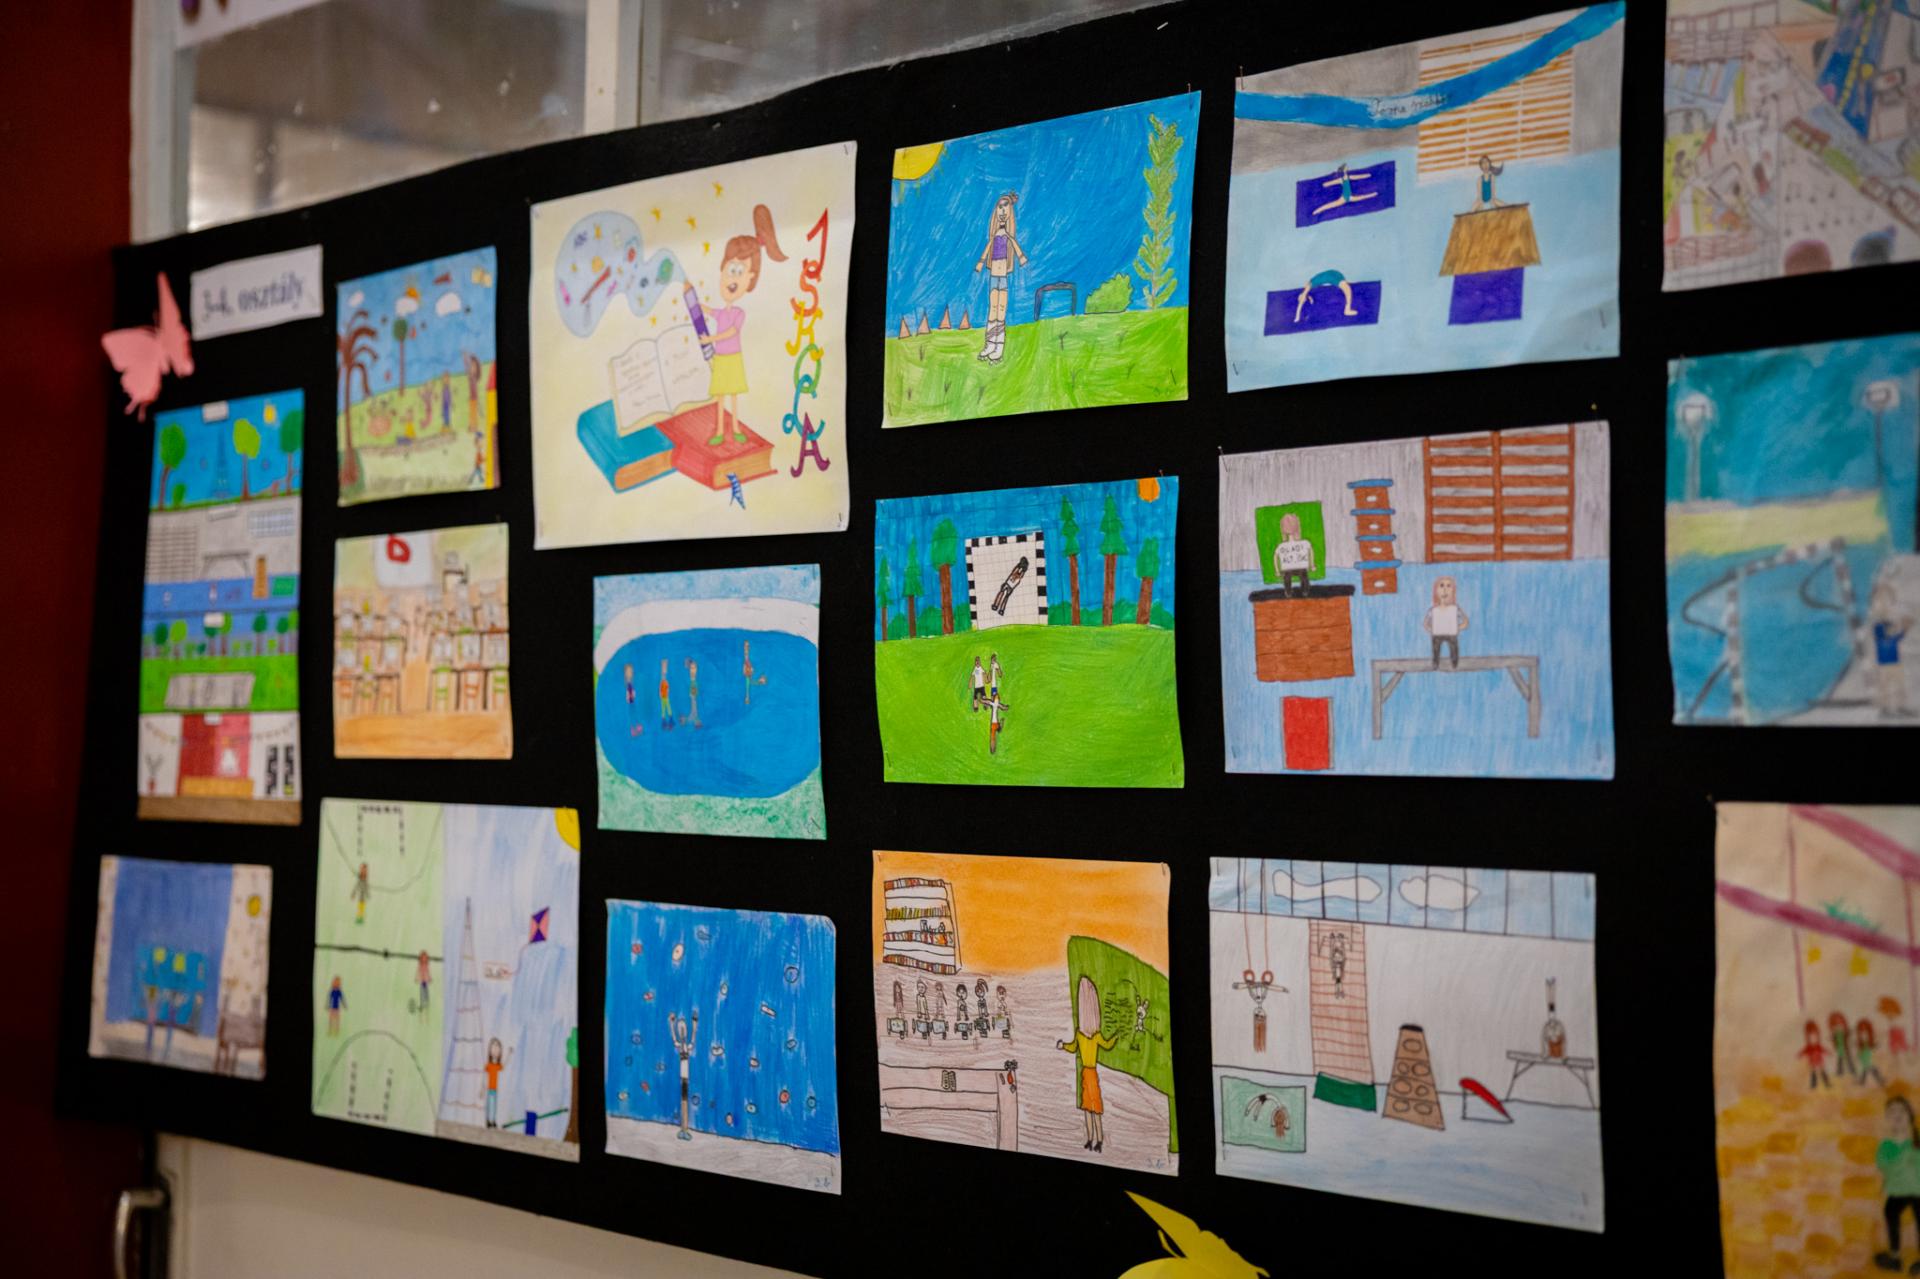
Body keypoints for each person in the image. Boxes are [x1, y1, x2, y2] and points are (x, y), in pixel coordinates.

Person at [699, 204, 787, 446]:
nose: (732, 278)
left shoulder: (739, 313)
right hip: (721, 359)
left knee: (733, 396)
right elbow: (712, 312)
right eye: (730, 270)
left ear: (751, 278)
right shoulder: (723, 311)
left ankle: (736, 427)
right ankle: (719, 430)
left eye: (739, 271)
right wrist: (697, 306)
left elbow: (730, 332)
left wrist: (710, 340)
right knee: (720, 395)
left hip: (732, 358)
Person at [1058, 975, 1117, 1153]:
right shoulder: (1091, 1035)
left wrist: (1063, 1046)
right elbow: (1107, 1045)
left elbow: (1072, 1047)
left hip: (1088, 1073)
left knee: (1092, 1109)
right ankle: (1094, 1140)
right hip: (1088, 1073)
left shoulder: (1083, 1034)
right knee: (1092, 1109)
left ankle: (1096, 1140)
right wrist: (1116, 1036)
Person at [973, 191, 1028, 365]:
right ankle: (989, 344)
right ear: (996, 210)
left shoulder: (1008, 235)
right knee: (992, 310)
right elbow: (987, 248)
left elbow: (1016, 247)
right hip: (993, 276)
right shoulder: (994, 234)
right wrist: (980, 262)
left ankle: (999, 347)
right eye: (1000, 207)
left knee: (1001, 310)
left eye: (1006, 207)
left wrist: (1021, 257)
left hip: (1003, 276)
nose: (1003, 210)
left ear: (1010, 212)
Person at [1877, 1096, 1920, 1272]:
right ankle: (1895, 1258)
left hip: (1918, 1191)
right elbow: (1884, 1166)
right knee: (1890, 1215)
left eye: (1901, 1110)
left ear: (1910, 1115)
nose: (1897, 1115)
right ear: (1887, 1118)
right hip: (1897, 1191)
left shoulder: (1916, 1142)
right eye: (1892, 1112)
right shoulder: (1886, 1145)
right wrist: (1904, 1159)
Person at [1871, 581, 1912, 718]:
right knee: (1885, 686)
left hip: (1894, 660)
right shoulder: (1878, 625)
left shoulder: (1889, 623)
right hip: (1884, 662)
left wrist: (1905, 629)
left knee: (1899, 685)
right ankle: (1885, 709)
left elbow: (1895, 638)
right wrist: (1903, 628)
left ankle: (1900, 707)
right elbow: (1887, 638)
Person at [1425, 576, 1468, 669]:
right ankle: (1435, 664)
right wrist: (1432, 629)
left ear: (1453, 591)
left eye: (1449, 586)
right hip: (1437, 634)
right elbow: (1425, 624)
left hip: (1452, 634)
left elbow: (1465, 622)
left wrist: (1457, 628)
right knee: (1436, 652)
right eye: (1441, 586)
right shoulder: (1433, 610)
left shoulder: (1455, 609)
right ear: (1436, 591)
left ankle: (1454, 664)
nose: (1445, 589)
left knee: (1454, 651)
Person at [669, 1010, 698, 1140]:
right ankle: (683, 1129)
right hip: (682, 1077)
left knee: (685, 1101)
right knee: (683, 1101)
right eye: (680, 1028)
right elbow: (673, 1037)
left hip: (686, 1077)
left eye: (683, 1028)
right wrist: (671, 1023)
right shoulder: (679, 1045)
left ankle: (685, 1129)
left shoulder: (687, 1046)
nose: (682, 1030)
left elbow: (693, 1037)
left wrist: (694, 1023)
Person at [1309, 162, 1376, 218]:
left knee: (1362, 197)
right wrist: (1325, 184)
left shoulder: (1347, 178)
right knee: (1329, 205)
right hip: (1345, 198)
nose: (1347, 169)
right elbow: (1328, 184)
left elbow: (1358, 177)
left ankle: (1373, 194)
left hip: (1348, 197)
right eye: (1346, 168)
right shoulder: (1342, 179)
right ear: (1344, 170)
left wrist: (1367, 175)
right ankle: (1316, 211)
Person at [1273, 512, 1314, 596]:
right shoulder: (1305, 543)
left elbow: (1275, 556)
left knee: (1290, 577)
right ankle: (1304, 591)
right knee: (1302, 576)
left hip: (1291, 568)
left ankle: (1290, 592)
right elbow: (1311, 550)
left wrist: (1277, 570)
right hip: (1297, 567)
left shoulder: (1282, 546)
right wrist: (1312, 564)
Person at [483, 1038, 511, 1128]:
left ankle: (493, 1120)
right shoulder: (489, 1065)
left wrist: (509, 1055)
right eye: (493, 1047)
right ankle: (488, 1120)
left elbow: (504, 1066)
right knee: (489, 1105)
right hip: (489, 1089)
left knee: (494, 1106)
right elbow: (484, 1077)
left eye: (497, 1048)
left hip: (495, 1090)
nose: (495, 1050)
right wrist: (482, 1089)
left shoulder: (497, 1066)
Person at [1799, 1019, 1831, 1089]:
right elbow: (1803, 1051)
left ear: (1818, 1036)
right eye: (1810, 1037)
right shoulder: (1808, 1047)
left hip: (1820, 1061)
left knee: (1822, 1071)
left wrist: (1828, 1053)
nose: (1813, 1039)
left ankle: (1827, 1083)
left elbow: (1823, 1050)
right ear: (1807, 1038)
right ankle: (1814, 1085)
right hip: (1812, 1062)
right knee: (1813, 1072)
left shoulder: (1818, 1046)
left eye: (1815, 1036)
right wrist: (1800, 1055)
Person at [1859, 1018, 1889, 1086]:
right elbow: (1865, 1045)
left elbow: (1870, 1044)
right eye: (1862, 1027)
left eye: (1865, 1027)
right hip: (1864, 1055)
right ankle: (1880, 1080)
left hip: (1868, 1054)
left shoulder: (1868, 1035)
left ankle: (1862, 1081)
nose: (1863, 1029)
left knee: (1866, 1069)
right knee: (1871, 1068)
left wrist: (1875, 1046)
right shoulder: (1862, 1036)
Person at [1833, 1011, 1858, 1080]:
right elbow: (1835, 1040)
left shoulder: (1844, 1030)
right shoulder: (1836, 1032)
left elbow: (1848, 1034)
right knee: (1840, 1060)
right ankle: (1840, 1072)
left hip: (1845, 1048)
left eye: (1839, 1021)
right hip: (1840, 1048)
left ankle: (1852, 1071)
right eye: (1836, 1021)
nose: (1838, 1023)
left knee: (1848, 1059)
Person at [985, 691, 1010, 755]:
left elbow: (1004, 708)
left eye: (997, 697)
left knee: (993, 738)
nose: (997, 699)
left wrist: (1006, 707)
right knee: (993, 737)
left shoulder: (995, 704)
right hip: (995, 724)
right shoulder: (995, 704)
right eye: (997, 697)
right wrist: (1006, 707)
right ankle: (992, 749)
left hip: (994, 724)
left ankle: (992, 750)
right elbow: (1004, 708)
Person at [623, 662, 642, 737]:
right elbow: (627, 692)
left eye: (631, 671)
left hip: (632, 701)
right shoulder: (627, 683)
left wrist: (633, 693)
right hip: (630, 701)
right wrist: (628, 697)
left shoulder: (631, 682)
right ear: (625, 673)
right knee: (631, 715)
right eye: (628, 672)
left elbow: (632, 690)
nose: (630, 673)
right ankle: (633, 729)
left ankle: (637, 727)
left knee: (635, 713)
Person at [683, 658, 703, 727]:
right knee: (693, 701)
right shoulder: (692, 667)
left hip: (693, 684)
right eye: (691, 668)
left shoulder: (693, 666)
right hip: (693, 684)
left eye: (694, 668)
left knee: (694, 701)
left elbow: (692, 667)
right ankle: (694, 718)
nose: (693, 670)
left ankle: (694, 717)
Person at [658, 657, 674, 731]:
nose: (664, 673)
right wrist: (661, 693)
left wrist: (666, 691)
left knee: (667, 707)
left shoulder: (665, 682)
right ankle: (664, 721)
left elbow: (667, 688)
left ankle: (669, 719)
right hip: (663, 697)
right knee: (664, 708)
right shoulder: (662, 682)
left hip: (666, 697)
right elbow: (661, 688)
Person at [415, 950, 432, 1018]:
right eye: (423, 958)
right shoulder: (420, 966)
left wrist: (429, 978)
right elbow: (418, 972)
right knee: (422, 993)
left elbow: (428, 973)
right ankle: (422, 1005)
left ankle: (426, 1004)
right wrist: (416, 978)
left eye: (425, 958)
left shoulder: (426, 966)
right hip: (422, 982)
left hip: (425, 982)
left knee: (426, 993)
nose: (424, 959)